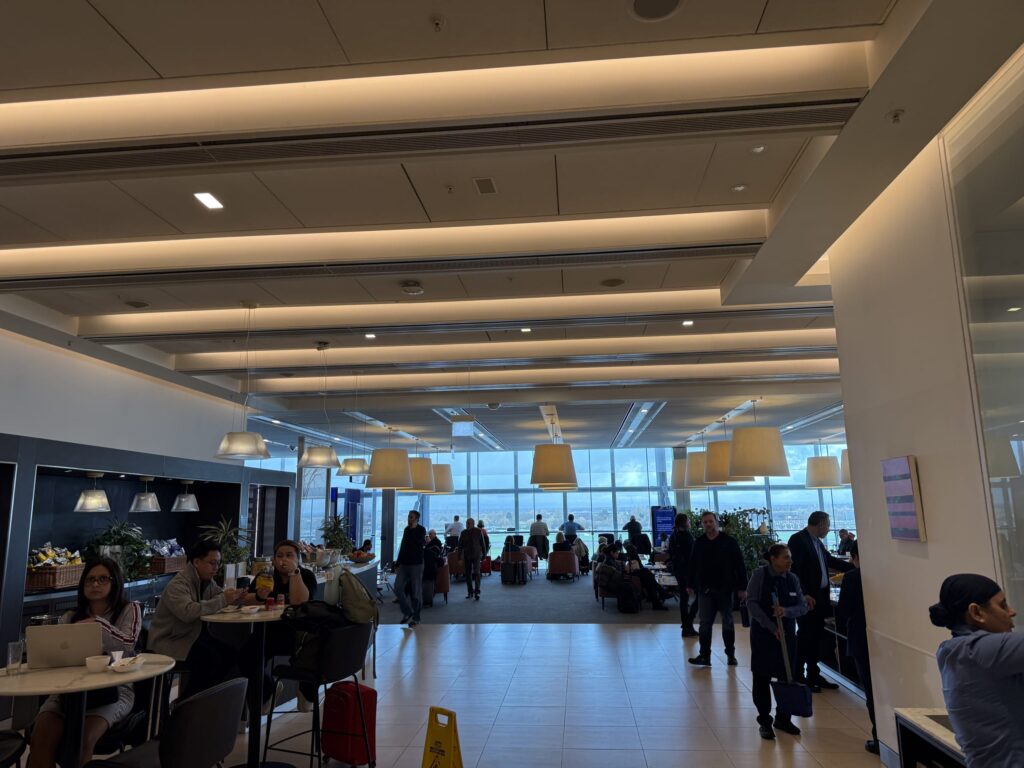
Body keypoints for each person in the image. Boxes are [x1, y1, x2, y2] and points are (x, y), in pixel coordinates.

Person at [28, 558, 142, 768]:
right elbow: (56, 656)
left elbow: (128, 644)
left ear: (114, 582)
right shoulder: (70, 617)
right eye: (89, 580)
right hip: (68, 691)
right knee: (40, 738)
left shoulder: (129, 609)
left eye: (102, 579)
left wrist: (99, 624)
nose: (95, 584)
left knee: (83, 740)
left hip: (113, 692)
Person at [929, 573, 1024, 767]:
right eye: (1002, 605)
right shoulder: (980, 650)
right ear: (976, 613)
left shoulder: (952, 650)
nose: (1012, 612)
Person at [149, 541, 243, 698]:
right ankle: (188, 705)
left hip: (192, 637)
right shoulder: (178, 584)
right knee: (209, 659)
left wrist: (239, 597)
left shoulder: (206, 581)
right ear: (197, 562)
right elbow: (188, 612)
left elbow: (220, 595)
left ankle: (201, 702)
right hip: (171, 642)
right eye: (212, 563)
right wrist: (224, 599)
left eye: (218, 563)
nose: (216, 568)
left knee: (230, 655)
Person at [746, 544, 808, 741]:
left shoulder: (792, 579)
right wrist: (771, 626)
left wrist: (786, 612)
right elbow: (751, 604)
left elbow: (802, 606)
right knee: (762, 677)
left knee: (787, 676)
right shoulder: (759, 576)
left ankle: (783, 718)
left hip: (787, 635)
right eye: (785, 557)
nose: (790, 561)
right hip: (764, 635)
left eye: (790, 557)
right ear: (773, 559)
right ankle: (764, 721)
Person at [787, 511, 853, 691]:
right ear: (821, 524)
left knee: (816, 637)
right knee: (806, 637)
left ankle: (814, 675)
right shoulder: (798, 540)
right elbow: (795, 571)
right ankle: (800, 676)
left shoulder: (816, 542)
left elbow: (830, 561)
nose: (829, 529)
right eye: (828, 525)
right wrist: (804, 594)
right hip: (807, 599)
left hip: (820, 597)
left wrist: (854, 568)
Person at [687, 511, 748, 667]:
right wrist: (690, 584)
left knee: (727, 622)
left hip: (725, 589)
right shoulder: (699, 542)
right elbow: (693, 565)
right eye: (705, 522)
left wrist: (742, 587)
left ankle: (730, 654)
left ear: (716, 522)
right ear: (702, 524)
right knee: (705, 624)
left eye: (710, 521)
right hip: (705, 590)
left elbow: (739, 565)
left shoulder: (729, 541)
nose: (708, 524)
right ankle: (704, 655)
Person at [835, 542, 878, 754]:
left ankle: (880, 738)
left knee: (872, 689)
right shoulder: (886, 575)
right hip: (884, 638)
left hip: (861, 637)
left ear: (853, 556)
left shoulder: (853, 577)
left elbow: (843, 610)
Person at [668, 512, 698, 637]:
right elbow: (692, 555)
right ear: (685, 523)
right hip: (688, 571)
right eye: (688, 521)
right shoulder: (687, 536)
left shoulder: (674, 536)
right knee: (700, 596)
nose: (690, 522)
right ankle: (688, 623)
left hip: (678, 570)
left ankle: (686, 624)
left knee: (684, 598)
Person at [395, 510, 427, 627]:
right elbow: (403, 545)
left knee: (416, 592)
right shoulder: (406, 530)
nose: (409, 519)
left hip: (416, 564)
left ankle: (416, 618)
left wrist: (413, 529)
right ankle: (407, 612)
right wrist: (398, 562)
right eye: (408, 517)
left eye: (411, 517)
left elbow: (419, 544)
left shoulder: (421, 530)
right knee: (397, 588)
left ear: (417, 519)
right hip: (404, 564)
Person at [624, 543, 670, 610]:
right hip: (634, 578)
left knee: (649, 580)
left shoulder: (628, 557)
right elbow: (635, 569)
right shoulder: (633, 557)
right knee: (648, 576)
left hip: (635, 576)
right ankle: (661, 594)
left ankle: (658, 597)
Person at [459, 516, 485, 601]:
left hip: (477, 555)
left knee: (477, 573)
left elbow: (482, 544)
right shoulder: (463, 533)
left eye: (469, 523)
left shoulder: (478, 531)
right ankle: (470, 592)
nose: (467, 525)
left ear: (473, 524)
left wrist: (484, 555)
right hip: (467, 556)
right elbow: (460, 546)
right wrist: (459, 557)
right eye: (466, 523)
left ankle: (477, 592)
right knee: (468, 574)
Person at [421, 529, 446, 608]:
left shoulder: (435, 543)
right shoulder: (434, 542)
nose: (429, 536)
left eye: (430, 534)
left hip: (428, 568)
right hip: (432, 569)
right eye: (429, 534)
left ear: (434, 534)